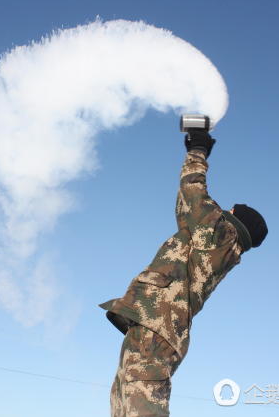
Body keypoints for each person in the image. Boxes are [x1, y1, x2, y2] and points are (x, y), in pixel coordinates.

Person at [99, 127, 268, 417]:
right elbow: (186, 209)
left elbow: (193, 190)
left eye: (229, 211)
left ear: (235, 222)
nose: (222, 211)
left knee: (141, 406)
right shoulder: (218, 245)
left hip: (157, 328)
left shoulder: (219, 234)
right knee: (126, 402)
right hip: (156, 328)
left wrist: (198, 151)